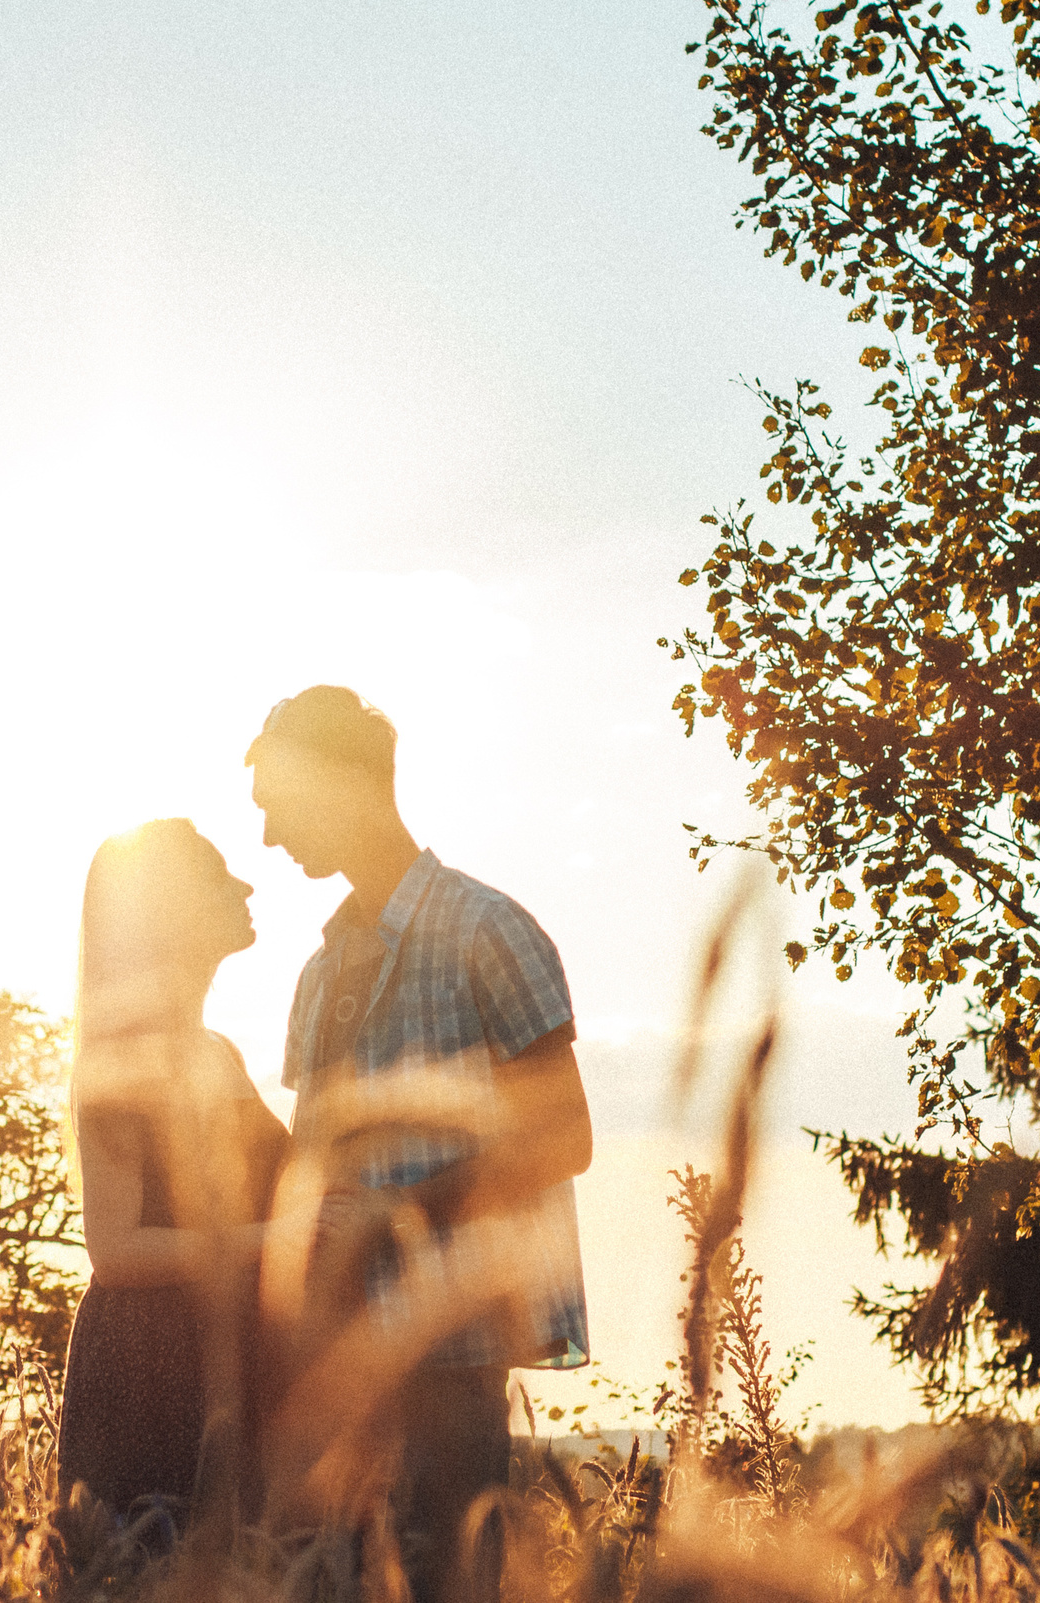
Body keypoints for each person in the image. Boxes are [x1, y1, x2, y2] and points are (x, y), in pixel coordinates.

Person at [246, 686, 593, 1603]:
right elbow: (309, 1166)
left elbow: (564, 1132)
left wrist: (392, 1217)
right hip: (337, 1367)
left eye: (280, 804)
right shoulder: (316, 977)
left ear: (347, 780)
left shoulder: (490, 930)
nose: (272, 838)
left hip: (453, 1354)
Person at [57, 819, 291, 1528]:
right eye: (221, 875)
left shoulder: (217, 1051)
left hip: (220, 1365)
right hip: (145, 1373)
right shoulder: (121, 1058)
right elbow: (115, 1250)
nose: (246, 886)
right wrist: (270, 1239)